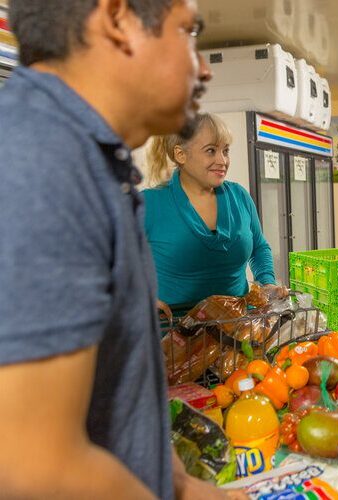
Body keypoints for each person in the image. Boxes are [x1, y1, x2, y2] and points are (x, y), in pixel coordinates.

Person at [0, 1, 245, 499]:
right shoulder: (40, 163)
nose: (202, 68)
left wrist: (177, 482)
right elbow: (36, 469)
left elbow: (118, 392)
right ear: (117, 19)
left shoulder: (93, 162)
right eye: (188, 32)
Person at [144, 112, 276, 306]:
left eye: (226, 150)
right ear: (181, 154)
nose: (222, 161)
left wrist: (267, 283)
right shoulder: (149, 204)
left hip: (236, 328)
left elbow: (259, 247)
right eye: (210, 151)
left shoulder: (239, 197)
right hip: (173, 332)